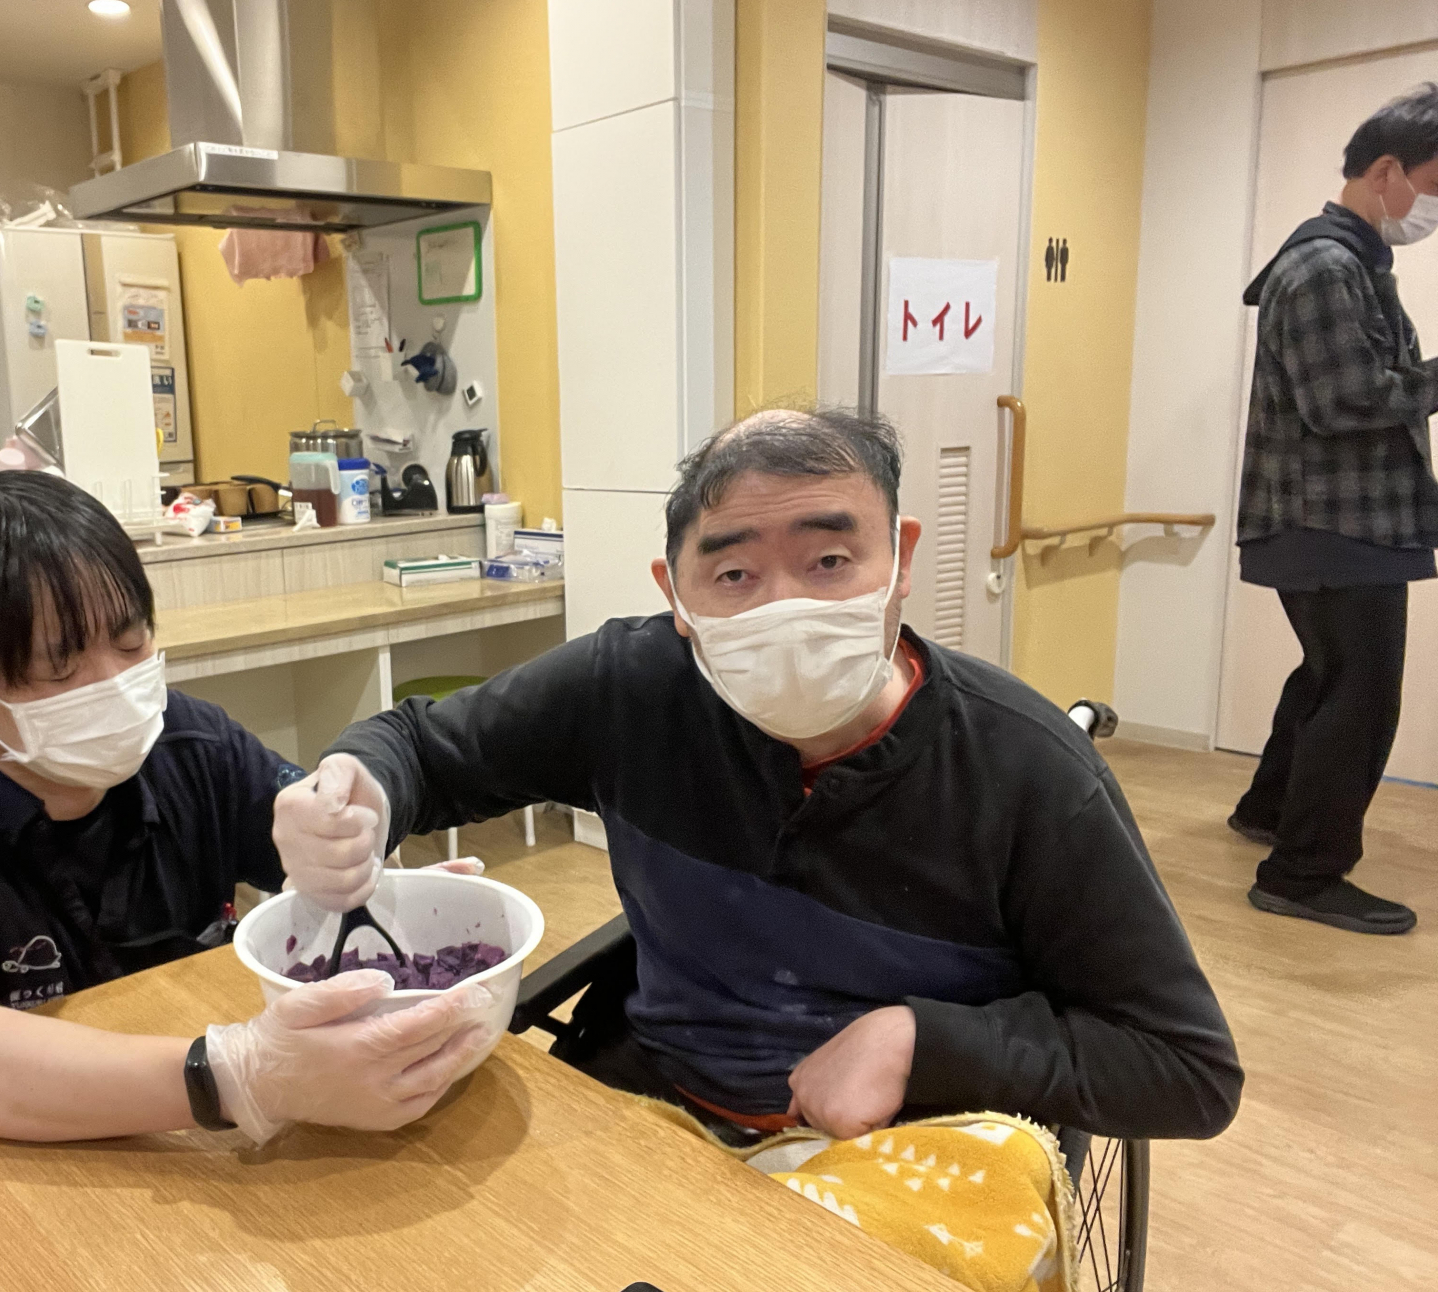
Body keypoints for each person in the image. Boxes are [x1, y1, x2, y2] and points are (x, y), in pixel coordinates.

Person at [274, 410, 1242, 1142]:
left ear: (901, 559)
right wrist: (354, 793)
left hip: (913, 1142)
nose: (785, 609)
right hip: (661, 1110)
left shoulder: (1026, 768)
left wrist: (923, 1042)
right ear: (676, 594)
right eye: (734, 576)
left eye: (829, 560)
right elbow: (423, 747)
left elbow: (1185, 1068)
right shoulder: (630, 687)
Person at [0, 472, 494, 1145]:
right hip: (24, 1167)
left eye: (131, 640)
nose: (116, 684)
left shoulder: (192, 746)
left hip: (207, 1149)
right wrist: (238, 1075)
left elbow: (302, 850)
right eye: (61, 666)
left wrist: (354, 863)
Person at [1230, 84, 1438, 936]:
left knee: (1330, 678)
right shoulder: (1324, 267)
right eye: (1434, 186)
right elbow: (1345, 398)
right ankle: (1303, 875)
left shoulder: (1349, 261)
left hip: (1336, 522)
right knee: (1361, 695)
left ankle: (1272, 811)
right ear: (1386, 171)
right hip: (1333, 524)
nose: (1432, 210)